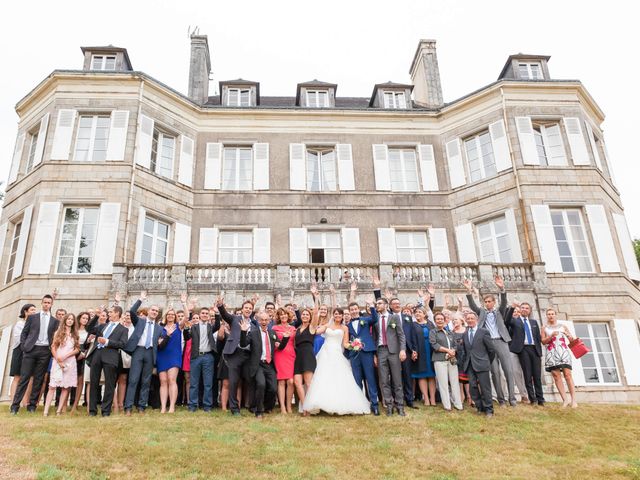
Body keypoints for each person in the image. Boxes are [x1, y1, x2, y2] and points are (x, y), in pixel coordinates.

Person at [303, 308, 370, 415]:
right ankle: (320, 403)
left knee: (338, 377)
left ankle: (339, 403)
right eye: (336, 314)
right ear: (333, 315)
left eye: (340, 314)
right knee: (322, 377)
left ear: (343, 316)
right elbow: (315, 331)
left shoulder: (344, 328)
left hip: (337, 353)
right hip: (325, 353)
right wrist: (313, 322)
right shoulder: (327, 326)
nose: (337, 315)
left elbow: (345, 343)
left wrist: (354, 345)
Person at [464, 276, 517, 407]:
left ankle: (512, 398)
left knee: (508, 370)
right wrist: (469, 291)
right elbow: (472, 305)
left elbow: (504, 302)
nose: (487, 303)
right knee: (495, 372)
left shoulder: (499, 311)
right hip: (488, 345)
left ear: (493, 302)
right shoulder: (481, 312)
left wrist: (501, 288)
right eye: (485, 301)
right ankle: (501, 399)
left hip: (501, 341)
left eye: (489, 301)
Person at [10, 294, 59, 415]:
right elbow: (24, 333)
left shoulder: (55, 321)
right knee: (24, 377)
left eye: (49, 303)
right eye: (45, 302)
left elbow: (55, 337)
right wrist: (24, 347)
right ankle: (15, 406)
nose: (47, 304)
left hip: (45, 351)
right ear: (41, 303)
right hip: (31, 350)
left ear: (51, 304)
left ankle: (32, 406)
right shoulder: (33, 317)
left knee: (38, 379)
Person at [240, 310, 289, 418]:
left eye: (266, 320)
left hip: (269, 365)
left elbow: (280, 347)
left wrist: (285, 338)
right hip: (258, 365)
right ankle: (259, 411)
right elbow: (243, 344)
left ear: (269, 321)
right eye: (262, 319)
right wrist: (243, 332)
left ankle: (267, 407)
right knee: (261, 384)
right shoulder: (253, 333)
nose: (264, 321)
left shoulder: (272, 333)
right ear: (258, 321)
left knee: (273, 388)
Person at [124, 292, 166, 415]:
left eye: (157, 311)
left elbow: (162, 342)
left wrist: (163, 340)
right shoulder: (140, 321)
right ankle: (128, 407)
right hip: (138, 351)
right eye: (153, 310)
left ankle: (142, 406)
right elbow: (132, 311)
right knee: (133, 379)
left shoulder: (159, 328)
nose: (154, 312)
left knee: (146, 381)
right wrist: (140, 299)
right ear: (148, 311)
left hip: (150, 353)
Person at [85, 306, 129, 416]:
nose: (109, 314)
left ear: (117, 313)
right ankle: (92, 411)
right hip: (96, 355)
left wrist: (107, 342)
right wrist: (96, 316)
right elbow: (89, 328)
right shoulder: (103, 326)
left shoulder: (123, 329)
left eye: (111, 312)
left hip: (111, 357)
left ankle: (105, 411)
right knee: (94, 383)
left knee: (110, 385)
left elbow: (122, 344)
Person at [218, 297, 254, 416]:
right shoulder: (234, 319)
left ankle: (252, 406)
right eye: (246, 308)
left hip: (248, 355)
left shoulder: (254, 323)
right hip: (234, 353)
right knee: (233, 382)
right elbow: (224, 314)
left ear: (252, 310)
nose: (248, 310)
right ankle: (234, 408)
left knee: (251, 380)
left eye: (250, 308)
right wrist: (220, 305)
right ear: (242, 309)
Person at [505, 302, 545, 406]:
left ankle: (540, 399)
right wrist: (512, 307)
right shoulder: (515, 321)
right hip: (523, 349)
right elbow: (507, 320)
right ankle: (533, 399)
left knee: (537, 375)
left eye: (527, 308)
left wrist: (539, 351)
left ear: (530, 310)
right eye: (522, 308)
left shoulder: (534, 322)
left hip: (534, 349)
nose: (524, 310)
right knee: (527, 375)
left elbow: (537, 337)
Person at [373, 297, 407, 416]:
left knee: (397, 379)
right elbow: (375, 338)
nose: (377, 305)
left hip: (394, 351)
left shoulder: (394, 317)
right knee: (384, 380)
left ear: (386, 305)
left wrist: (402, 349)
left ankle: (400, 405)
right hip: (381, 351)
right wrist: (375, 355)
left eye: (380, 303)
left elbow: (401, 335)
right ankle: (389, 404)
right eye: (376, 304)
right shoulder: (376, 319)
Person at [347, 298, 380, 415]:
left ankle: (374, 405)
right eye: (351, 310)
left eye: (355, 309)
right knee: (357, 380)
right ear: (349, 312)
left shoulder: (365, 320)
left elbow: (375, 319)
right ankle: (359, 405)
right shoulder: (347, 325)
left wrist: (371, 306)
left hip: (367, 352)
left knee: (370, 378)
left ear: (358, 309)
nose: (354, 311)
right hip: (354, 355)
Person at [460, 311, 496, 418]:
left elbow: (491, 349)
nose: (470, 320)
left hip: (482, 364)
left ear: (476, 320)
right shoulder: (465, 334)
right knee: (473, 387)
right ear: (466, 320)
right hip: (470, 365)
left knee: (485, 388)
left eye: (472, 318)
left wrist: (487, 361)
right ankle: (480, 407)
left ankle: (489, 410)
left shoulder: (483, 332)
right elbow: (466, 350)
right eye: (468, 318)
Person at [183, 306, 218, 412]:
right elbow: (187, 337)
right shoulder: (194, 327)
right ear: (200, 314)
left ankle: (207, 406)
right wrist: (186, 328)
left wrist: (217, 313)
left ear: (208, 316)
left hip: (208, 356)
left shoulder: (211, 327)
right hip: (196, 357)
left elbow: (218, 324)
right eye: (203, 313)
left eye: (206, 313)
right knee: (194, 383)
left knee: (208, 383)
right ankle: (193, 405)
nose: (204, 315)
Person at [44, 313, 80, 416]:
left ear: (74, 322)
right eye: (68, 319)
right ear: (64, 320)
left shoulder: (75, 334)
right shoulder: (58, 333)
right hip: (57, 362)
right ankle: (46, 411)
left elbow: (77, 349)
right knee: (52, 386)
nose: (70, 321)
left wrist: (66, 356)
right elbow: (53, 347)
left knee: (66, 387)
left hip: (70, 362)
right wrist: (58, 359)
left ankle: (59, 410)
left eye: (72, 319)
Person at [542, 308, 578, 408]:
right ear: (547, 316)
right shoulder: (544, 328)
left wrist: (568, 336)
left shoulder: (563, 326)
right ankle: (565, 400)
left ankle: (573, 400)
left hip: (563, 351)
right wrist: (550, 336)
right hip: (551, 352)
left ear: (555, 315)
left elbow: (572, 340)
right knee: (556, 376)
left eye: (552, 314)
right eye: (548, 314)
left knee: (567, 375)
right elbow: (543, 341)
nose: (551, 316)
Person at [430, 311, 463, 411]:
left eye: (441, 319)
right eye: (437, 319)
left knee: (454, 382)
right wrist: (447, 350)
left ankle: (458, 404)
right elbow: (434, 344)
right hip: (439, 360)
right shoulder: (433, 332)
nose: (440, 321)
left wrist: (452, 351)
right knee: (443, 383)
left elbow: (454, 344)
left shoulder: (449, 332)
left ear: (444, 320)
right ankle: (447, 405)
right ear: (435, 321)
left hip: (451, 359)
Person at [156, 308, 184, 413]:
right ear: (166, 316)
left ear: (175, 316)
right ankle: (163, 407)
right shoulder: (160, 328)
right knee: (163, 381)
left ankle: (172, 406)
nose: (171, 316)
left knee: (172, 379)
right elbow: (159, 343)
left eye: (173, 314)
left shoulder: (178, 326)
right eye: (169, 314)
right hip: (162, 355)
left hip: (174, 356)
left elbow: (186, 316)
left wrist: (184, 303)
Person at [9, 304, 36, 406]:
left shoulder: (34, 324)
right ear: (25, 311)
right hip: (19, 352)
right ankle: (12, 401)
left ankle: (25, 402)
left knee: (30, 377)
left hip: (30, 352)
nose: (34, 312)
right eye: (32, 310)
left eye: (35, 310)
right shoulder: (20, 324)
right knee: (17, 377)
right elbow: (19, 338)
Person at [409, 307, 436, 406]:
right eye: (416, 312)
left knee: (432, 375)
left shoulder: (430, 324)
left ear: (424, 314)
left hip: (430, 351)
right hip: (419, 351)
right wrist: (413, 351)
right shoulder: (413, 325)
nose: (417, 314)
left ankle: (432, 398)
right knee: (422, 375)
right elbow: (410, 339)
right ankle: (426, 398)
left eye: (420, 312)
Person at [272, 308, 296, 414]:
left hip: (290, 355)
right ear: (278, 317)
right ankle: (282, 407)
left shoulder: (293, 328)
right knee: (281, 381)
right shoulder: (274, 328)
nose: (283, 316)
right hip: (279, 355)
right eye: (281, 315)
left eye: (285, 314)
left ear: (288, 316)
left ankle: (289, 405)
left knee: (291, 381)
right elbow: (273, 341)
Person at [293, 308, 316, 413]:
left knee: (308, 383)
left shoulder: (311, 327)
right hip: (298, 356)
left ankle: (311, 407)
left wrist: (315, 297)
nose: (305, 316)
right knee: (297, 382)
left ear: (310, 317)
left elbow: (316, 313)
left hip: (308, 355)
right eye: (303, 314)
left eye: (307, 314)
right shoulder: (297, 329)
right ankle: (304, 407)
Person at [69, 311, 90, 413]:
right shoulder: (74, 330)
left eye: (87, 318)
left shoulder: (88, 331)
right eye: (83, 318)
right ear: (79, 318)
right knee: (69, 379)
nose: (85, 320)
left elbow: (88, 345)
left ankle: (75, 405)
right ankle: (65, 403)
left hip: (83, 355)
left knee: (80, 380)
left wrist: (84, 353)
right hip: (72, 353)